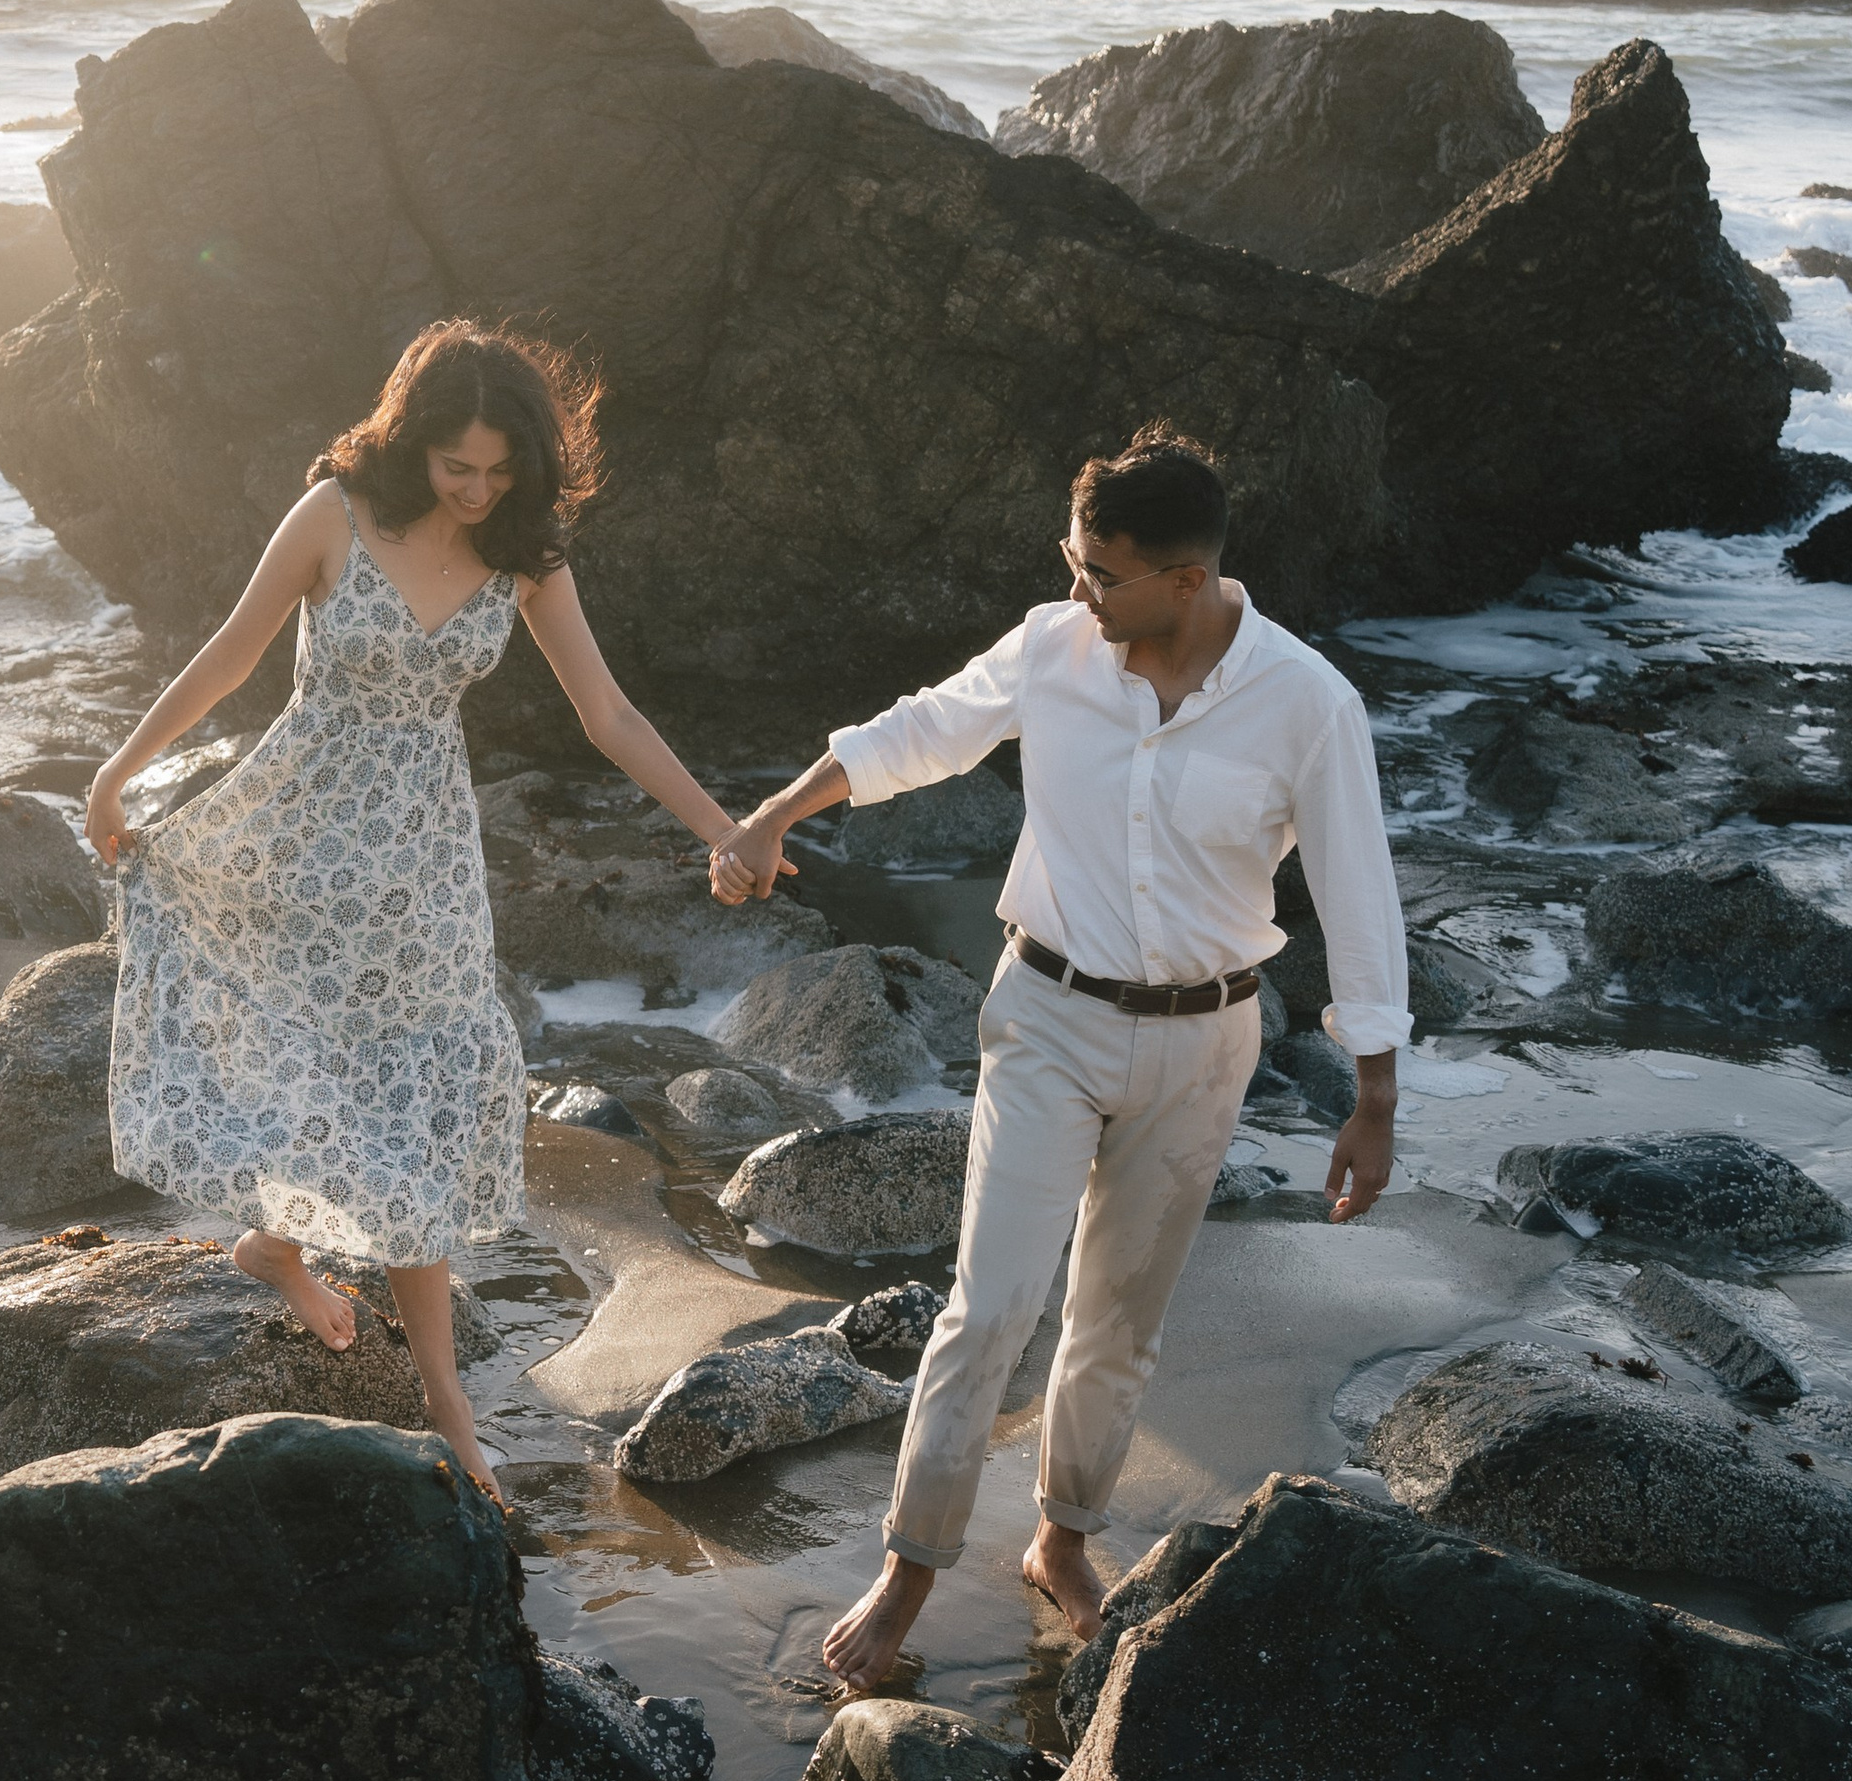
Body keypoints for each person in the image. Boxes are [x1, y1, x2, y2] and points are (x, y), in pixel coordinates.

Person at [708, 427, 1406, 1681]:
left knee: (1115, 1323)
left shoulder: (1308, 703)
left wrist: (1373, 1096)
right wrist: (770, 813)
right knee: (991, 1305)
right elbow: (919, 731)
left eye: (1101, 572)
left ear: (1186, 581)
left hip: (1207, 1041)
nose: (1076, 590)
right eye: (1071, 560)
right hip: (1046, 1016)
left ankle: (1059, 1539)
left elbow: (1359, 896)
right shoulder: (1053, 645)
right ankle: (907, 1567)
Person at [87, 317, 748, 1506]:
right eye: (459, 469)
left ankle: (357, 1321)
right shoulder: (334, 515)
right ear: (413, 439)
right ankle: (362, 1324)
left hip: (425, 860)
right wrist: (117, 768)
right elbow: (232, 657)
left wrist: (722, 827)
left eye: (501, 473)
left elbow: (609, 716)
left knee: (417, 1089)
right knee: (309, 1055)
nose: (480, 490)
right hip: (300, 829)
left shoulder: (526, 556)